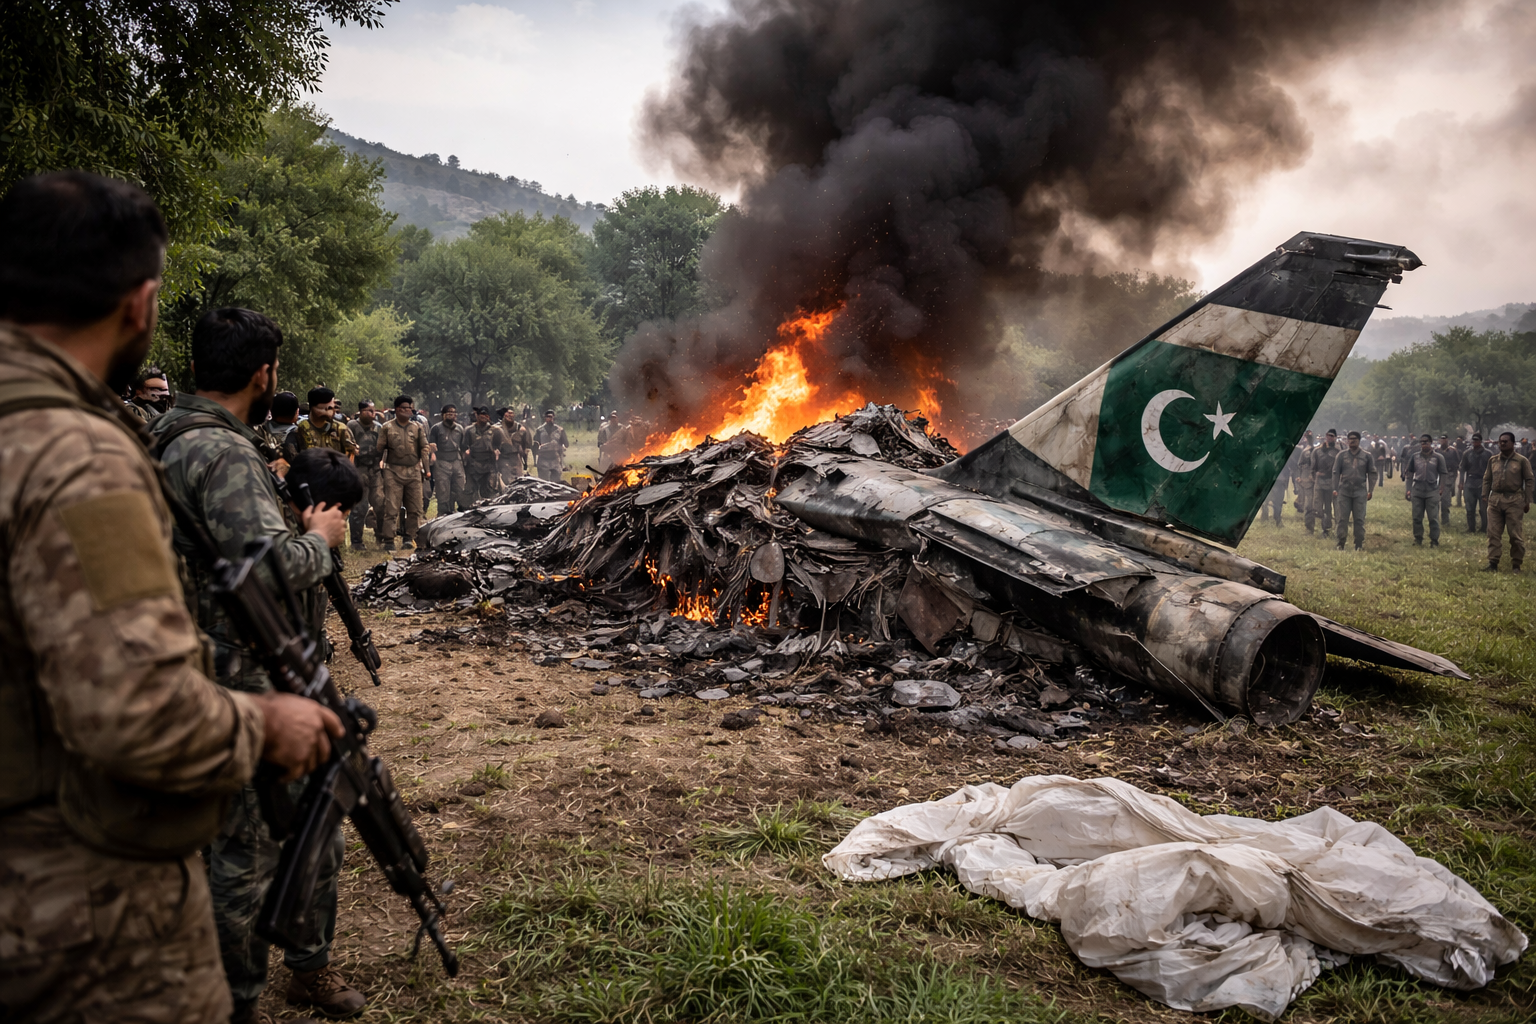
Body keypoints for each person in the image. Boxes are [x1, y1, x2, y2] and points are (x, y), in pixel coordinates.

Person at [0, 171, 340, 1024]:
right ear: (139, 304)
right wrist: (263, 725)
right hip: (69, 902)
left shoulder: (93, 430)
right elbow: (136, 709)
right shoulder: (75, 455)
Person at [150, 307, 364, 1023]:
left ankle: (297, 969)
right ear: (263, 374)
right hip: (245, 671)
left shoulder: (165, 435)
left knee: (242, 837)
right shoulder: (223, 453)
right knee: (259, 843)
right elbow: (265, 569)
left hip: (198, 661)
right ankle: (243, 995)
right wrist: (320, 539)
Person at [376, 394, 427, 551]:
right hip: (393, 471)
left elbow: (424, 447)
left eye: (410, 408)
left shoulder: (417, 427)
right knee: (391, 508)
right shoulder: (387, 427)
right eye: (405, 408)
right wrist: (379, 464)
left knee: (415, 508)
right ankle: (389, 539)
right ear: (397, 409)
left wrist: (426, 467)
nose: (408, 411)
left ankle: (409, 537)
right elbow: (380, 448)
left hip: (413, 471)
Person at [1482, 431, 1533, 573]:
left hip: (1514, 500)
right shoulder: (1493, 460)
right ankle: (1493, 563)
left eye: (1505, 441)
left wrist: (1527, 500)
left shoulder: (1521, 461)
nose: (1502, 444)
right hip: (1495, 500)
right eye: (1500, 441)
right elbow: (1487, 478)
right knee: (1493, 533)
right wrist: (1484, 495)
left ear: (1512, 443)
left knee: (1515, 535)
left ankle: (1516, 564)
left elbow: (1529, 480)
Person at [285, 386, 358, 463]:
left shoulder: (341, 429)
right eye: (324, 408)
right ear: (312, 407)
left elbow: (351, 456)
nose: (329, 411)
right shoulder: (299, 431)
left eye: (331, 407)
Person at [1332, 430, 1377, 550]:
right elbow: (1336, 472)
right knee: (1342, 518)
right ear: (1347, 441)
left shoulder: (1367, 456)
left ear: (1359, 441)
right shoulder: (1341, 455)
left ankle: (1359, 543)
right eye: (1350, 439)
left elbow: (1372, 473)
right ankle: (1341, 542)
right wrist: (1334, 488)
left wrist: (1370, 490)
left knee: (1359, 519)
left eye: (1354, 439)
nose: (1352, 441)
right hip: (1344, 490)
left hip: (1360, 491)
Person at [349, 400, 384, 547]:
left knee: (380, 503)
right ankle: (356, 541)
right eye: (369, 411)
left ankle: (381, 536)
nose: (373, 414)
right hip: (359, 469)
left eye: (373, 411)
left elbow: (384, 447)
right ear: (361, 412)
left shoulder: (378, 427)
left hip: (375, 469)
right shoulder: (352, 426)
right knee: (360, 507)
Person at [1403, 433, 1447, 547]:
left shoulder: (1438, 457)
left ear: (1431, 443)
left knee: (1433, 518)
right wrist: (1408, 489)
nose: (1424, 444)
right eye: (1422, 442)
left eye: (1426, 442)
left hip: (1432, 490)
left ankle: (1434, 540)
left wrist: (1441, 488)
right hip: (1417, 489)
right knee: (1417, 517)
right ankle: (1418, 538)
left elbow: (1443, 473)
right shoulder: (1415, 457)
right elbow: (1409, 473)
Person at [428, 404, 467, 516]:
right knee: (443, 492)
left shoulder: (460, 429)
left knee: (460, 489)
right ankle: (443, 515)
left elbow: (463, 447)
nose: (451, 415)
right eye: (449, 413)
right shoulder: (436, 428)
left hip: (456, 461)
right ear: (443, 415)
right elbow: (431, 445)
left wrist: (465, 458)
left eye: (454, 413)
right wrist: (432, 455)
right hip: (441, 462)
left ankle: (459, 515)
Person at [463, 406, 507, 501]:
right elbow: (464, 446)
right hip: (473, 465)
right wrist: (466, 453)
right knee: (471, 493)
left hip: (490, 465)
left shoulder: (496, 431)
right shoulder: (469, 431)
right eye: (481, 414)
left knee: (491, 492)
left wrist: (497, 452)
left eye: (486, 415)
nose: (483, 417)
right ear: (477, 416)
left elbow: (502, 448)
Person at [1461, 433, 1493, 534]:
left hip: (1483, 483)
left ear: (1480, 441)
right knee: (1469, 508)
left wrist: (1492, 484)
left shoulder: (1488, 454)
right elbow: (1462, 469)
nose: (1475, 443)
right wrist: (1461, 482)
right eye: (1474, 441)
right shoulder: (1467, 454)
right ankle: (1471, 528)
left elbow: (1492, 470)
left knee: (1484, 509)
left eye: (1477, 441)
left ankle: (1484, 528)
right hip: (1470, 482)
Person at [1261, 442, 1294, 527]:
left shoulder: (1285, 457)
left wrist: (1285, 482)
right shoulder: (1269, 456)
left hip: (1280, 482)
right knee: (1267, 501)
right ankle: (1266, 517)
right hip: (1272, 482)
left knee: (1278, 502)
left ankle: (1277, 519)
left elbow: (1289, 470)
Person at [533, 408, 569, 482]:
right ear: (545, 418)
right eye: (548, 417)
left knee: (556, 482)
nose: (550, 419)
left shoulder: (560, 430)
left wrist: (561, 446)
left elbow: (566, 444)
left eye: (552, 417)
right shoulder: (540, 430)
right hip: (543, 459)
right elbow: (535, 444)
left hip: (556, 459)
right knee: (543, 482)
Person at [1438, 435, 1461, 521]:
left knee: (1445, 499)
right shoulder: (1437, 451)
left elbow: (1457, 464)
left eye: (1444, 439)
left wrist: (1453, 478)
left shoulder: (1453, 451)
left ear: (1447, 440)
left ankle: (1445, 519)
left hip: (1449, 475)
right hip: (1438, 476)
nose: (1443, 441)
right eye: (1441, 439)